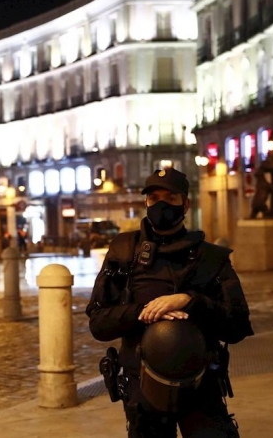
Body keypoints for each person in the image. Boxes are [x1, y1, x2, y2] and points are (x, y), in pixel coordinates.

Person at [86, 167, 254, 438]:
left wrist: (191, 301)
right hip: (142, 386)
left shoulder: (210, 258)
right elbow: (98, 322)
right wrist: (143, 311)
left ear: (186, 204)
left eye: (170, 198)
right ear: (146, 202)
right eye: (154, 198)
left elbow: (237, 325)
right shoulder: (123, 251)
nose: (161, 204)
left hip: (201, 384)